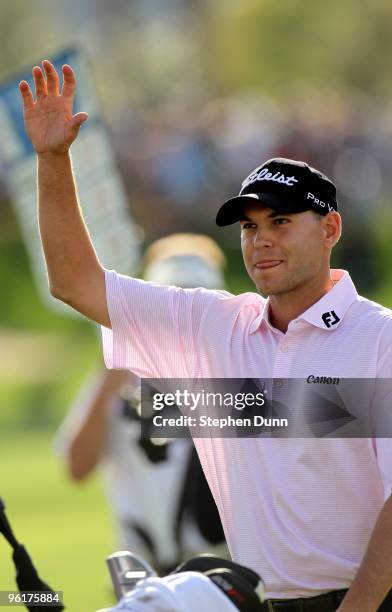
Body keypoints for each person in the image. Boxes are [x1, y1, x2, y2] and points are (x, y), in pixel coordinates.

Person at [19, 61, 392, 611]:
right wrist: (52, 160)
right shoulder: (216, 326)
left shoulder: (380, 338)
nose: (261, 241)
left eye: (281, 222)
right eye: (250, 227)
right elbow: (75, 283)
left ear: (330, 229)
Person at [56, 234, 227, 573]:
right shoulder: (120, 376)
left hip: (223, 573)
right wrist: (110, 376)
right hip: (143, 574)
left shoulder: (239, 373)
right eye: (169, 301)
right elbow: (77, 468)